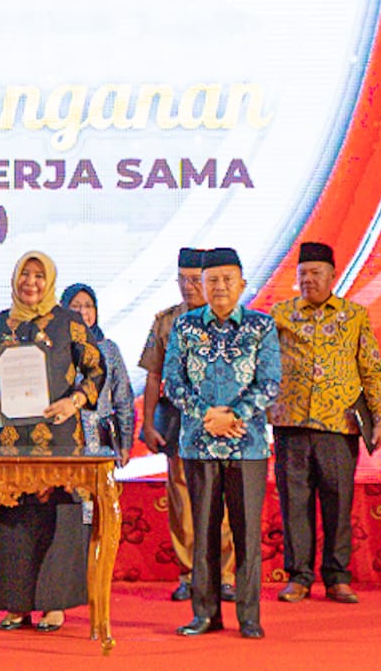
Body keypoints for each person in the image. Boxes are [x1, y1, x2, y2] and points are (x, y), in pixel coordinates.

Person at [0, 251, 104, 633]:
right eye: (25, 275)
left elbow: (97, 369)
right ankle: (17, 605)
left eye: (38, 276)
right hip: (10, 440)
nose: (30, 282)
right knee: (14, 518)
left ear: (49, 282)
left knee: (58, 518)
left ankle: (54, 604)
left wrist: (75, 401)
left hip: (58, 437)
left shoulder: (69, 323)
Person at [163, 248, 279, 640]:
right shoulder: (184, 327)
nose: (220, 286)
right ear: (201, 284)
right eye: (212, 280)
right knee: (204, 532)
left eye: (228, 279)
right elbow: (173, 382)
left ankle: (249, 617)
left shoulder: (262, 326)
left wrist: (234, 416)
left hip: (247, 445)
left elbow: (270, 383)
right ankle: (205, 614)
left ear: (242, 284)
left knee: (246, 533)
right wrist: (206, 415)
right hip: (199, 443)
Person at [269, 241, 381, 604]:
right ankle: (299, 576)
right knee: (295, 503)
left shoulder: (354, 316)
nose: (308, 279)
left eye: (316, 273)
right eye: (303, 273)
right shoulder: (280, 314)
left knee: (338, 503)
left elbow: (370, 369)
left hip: (339, 425)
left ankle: (337, 577)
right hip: (291, 424)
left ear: (333, 276)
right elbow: (265, 366)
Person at [141, 247, 235, 602]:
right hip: (179, 422)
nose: (187, 286)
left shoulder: (228, 318)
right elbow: (153, 375)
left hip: (220, 421)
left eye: (195, 280)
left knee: (222, 499)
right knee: (182, 502)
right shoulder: (166, 321)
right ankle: (189, 574)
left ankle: (225, 576)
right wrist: (148, 424)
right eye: (182, 279)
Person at [62, 284, 134, 463]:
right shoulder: (55, 349)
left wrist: (125, 444)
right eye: (76, 306)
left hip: (100, 440)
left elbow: (123, 398)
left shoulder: (109, 349)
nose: (83, 311)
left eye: (88, 306)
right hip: (63, 438)